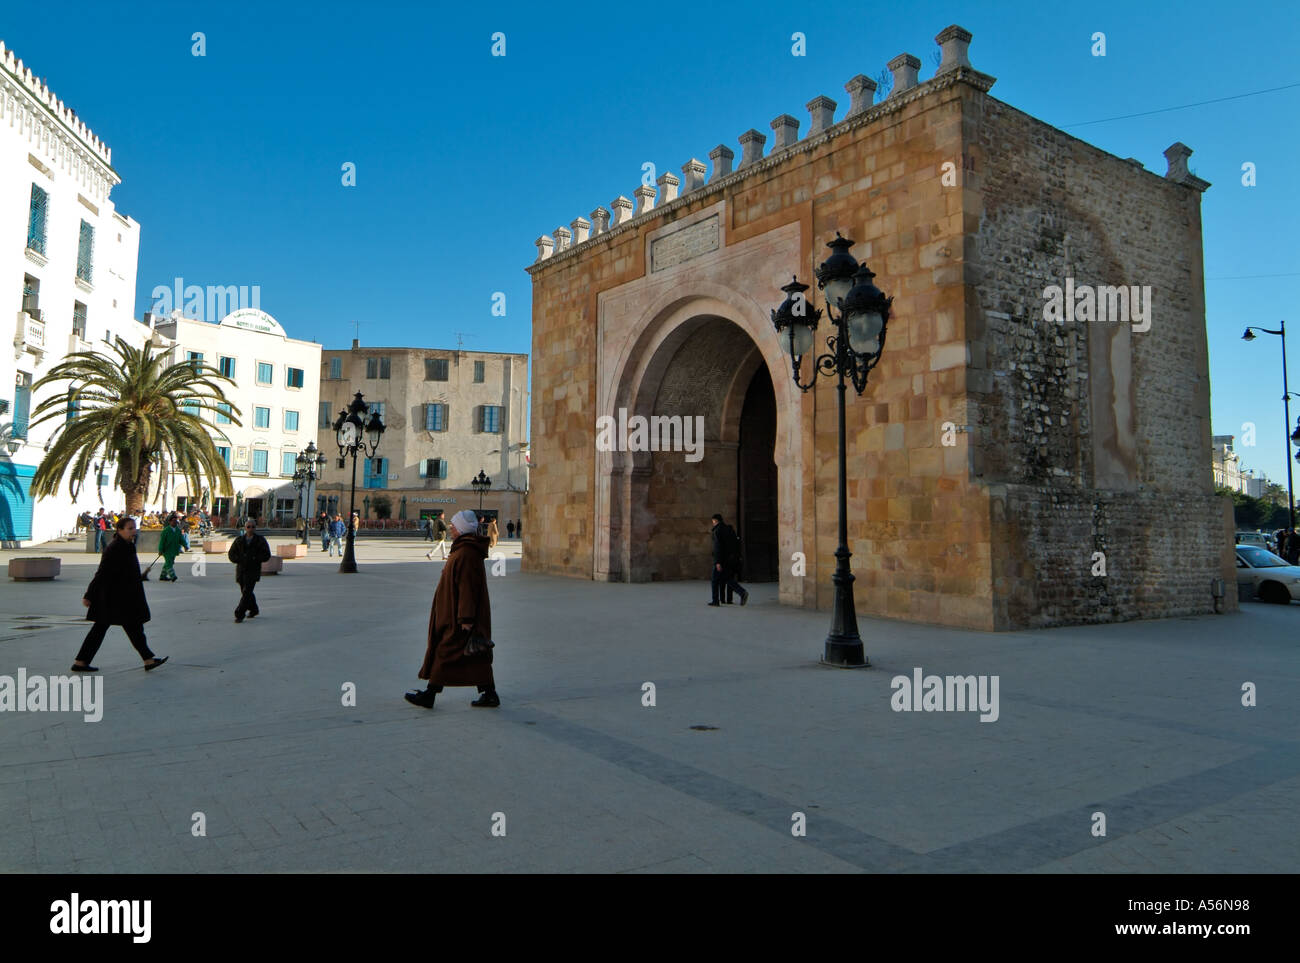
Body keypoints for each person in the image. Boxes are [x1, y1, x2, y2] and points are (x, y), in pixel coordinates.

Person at [406, 509, 498, 709]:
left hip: (459, 617)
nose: (451, 528)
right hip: (456, 612)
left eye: (454, 526)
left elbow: (467, 587)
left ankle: (430, 695)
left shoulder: (466, 553)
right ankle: (490, 694)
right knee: (476, 656)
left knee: (445, 653)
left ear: (462, 529)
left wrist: (466, 618)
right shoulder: (463, 549)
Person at [72, 516, 168, 672]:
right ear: (120, 530)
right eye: (130, 528)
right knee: (122, 628)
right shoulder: (115, 548)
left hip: (123, 597)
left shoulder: (127, 546)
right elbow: (102, 572)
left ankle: (81, 662)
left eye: (134, 528)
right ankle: (147, 660)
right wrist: (89, 595)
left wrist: (140, 576)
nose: (133, 531)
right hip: (114, 598)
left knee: (127, 629)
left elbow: (126, 571)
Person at [228, 520, 272, 623]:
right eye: (248, 527)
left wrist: (255, 559)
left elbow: (266, 555)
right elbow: (231, 554)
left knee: (247, 592)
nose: (250, 529)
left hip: (253, 570)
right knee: (245, 591)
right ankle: (254, 609)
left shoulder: (260, 540)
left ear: (255, 528)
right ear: (245, 528)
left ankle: (239, 614)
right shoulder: (239, 540)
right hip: (241, 570)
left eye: (253, 527)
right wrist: (239, 559)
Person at [707, 512, 748, 607]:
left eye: (713, 521)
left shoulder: (717, 531)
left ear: (715, 521)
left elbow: (718, 548)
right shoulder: (729, 529)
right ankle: (742, 592)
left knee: (715, 580)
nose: (713, 523)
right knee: (727, 578)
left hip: (720, 560)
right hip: (729, 559)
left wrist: (717, 562)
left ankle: (715, 600)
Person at [157, 515, 185, 583]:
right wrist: (160, 550)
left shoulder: (178, 530)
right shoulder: (166, 531)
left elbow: (181, 539)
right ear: (169, 522)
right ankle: (173, 576)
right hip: (166, 550)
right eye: (173, 521)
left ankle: (162, 576)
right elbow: (162, 541)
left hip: (174, 549)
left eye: (176, 521)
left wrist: (185, 545)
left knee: (169, 562)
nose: (175, 522)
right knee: (169, 563)